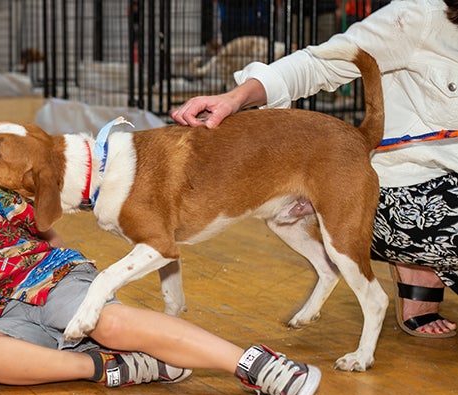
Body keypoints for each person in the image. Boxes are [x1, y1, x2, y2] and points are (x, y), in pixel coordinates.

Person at [0, 79, 322, 395]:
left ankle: (259, 366)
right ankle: (111, 368)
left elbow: (48, 220)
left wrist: (73, 276)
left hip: (49, 283)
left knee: (110, 321)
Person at [171, 0, 458, 338]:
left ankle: (430, 267)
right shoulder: (420, 15)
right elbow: (319, 64)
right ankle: (418, 271)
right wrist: (235, 98)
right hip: (400, 188)